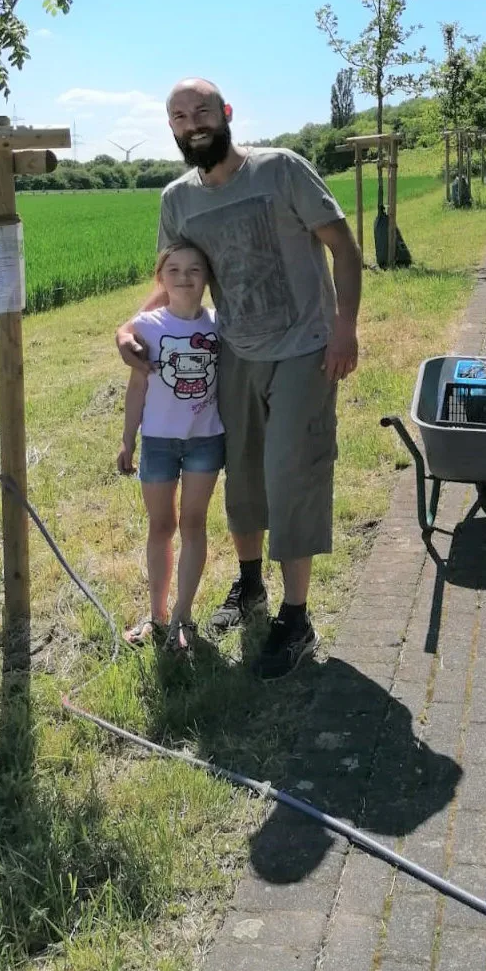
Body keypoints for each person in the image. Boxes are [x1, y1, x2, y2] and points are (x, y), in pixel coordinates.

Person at [116, 77, 362, 680]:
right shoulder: (178, 199)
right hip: (234, 351)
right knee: (244, 474)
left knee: (291, 473)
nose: (192, 121)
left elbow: (344, 247)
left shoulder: (282, 170)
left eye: (202, 109)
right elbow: (173, 274)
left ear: (225, 113)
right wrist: (134, 324)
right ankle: (250, 586)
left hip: (305, 348)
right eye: (179, 115)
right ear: (171, 127)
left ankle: (296, 617)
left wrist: (345, 327)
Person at [117, 240, 224, 659]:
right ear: (160, 279)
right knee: (161, 526)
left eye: (194, 270)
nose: (184, 278)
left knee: (194, 524)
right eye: (174, 270)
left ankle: (182, 615)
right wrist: (128, 438)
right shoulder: (147, 326)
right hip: (158, 442)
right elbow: (137, 385)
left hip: (206, 441)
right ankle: (156, 615)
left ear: (208, 278)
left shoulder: (219, 324)